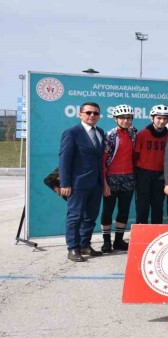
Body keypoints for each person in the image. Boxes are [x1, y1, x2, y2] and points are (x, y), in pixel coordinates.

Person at [58, 102, 106, 262]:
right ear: (80, 114)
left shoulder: (100, 132)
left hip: (96, 184)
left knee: (90, 217)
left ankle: (85, 245)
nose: (92, 115)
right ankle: (73, 248)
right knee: (75, 217)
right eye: (88, 112)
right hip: (77, 184)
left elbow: (100, 160)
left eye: (96, 113)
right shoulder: (72, 133)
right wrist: (65, 183)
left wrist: (103, 182)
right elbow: (64, 160)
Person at [101, 104, 137, 253]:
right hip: (111, 178)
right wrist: (104, 183)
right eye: (122, 118)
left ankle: (118, 241)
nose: (126, 121)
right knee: (107, 210)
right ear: (115, 119)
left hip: (128, 177)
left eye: (129, 118)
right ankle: (106, 242)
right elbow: (103, 161)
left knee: (124, 211)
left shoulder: (134, 133)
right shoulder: (110, 135)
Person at [134, 104, 168, 225]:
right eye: (159, 118)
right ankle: (141, 231)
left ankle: (156, 232)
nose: (162, 121)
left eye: (165, 118)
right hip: (143, 174)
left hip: (161, 175)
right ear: (152, 118)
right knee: (142, 205)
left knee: (158, 206)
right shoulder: (142, 134)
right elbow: (135, 155)